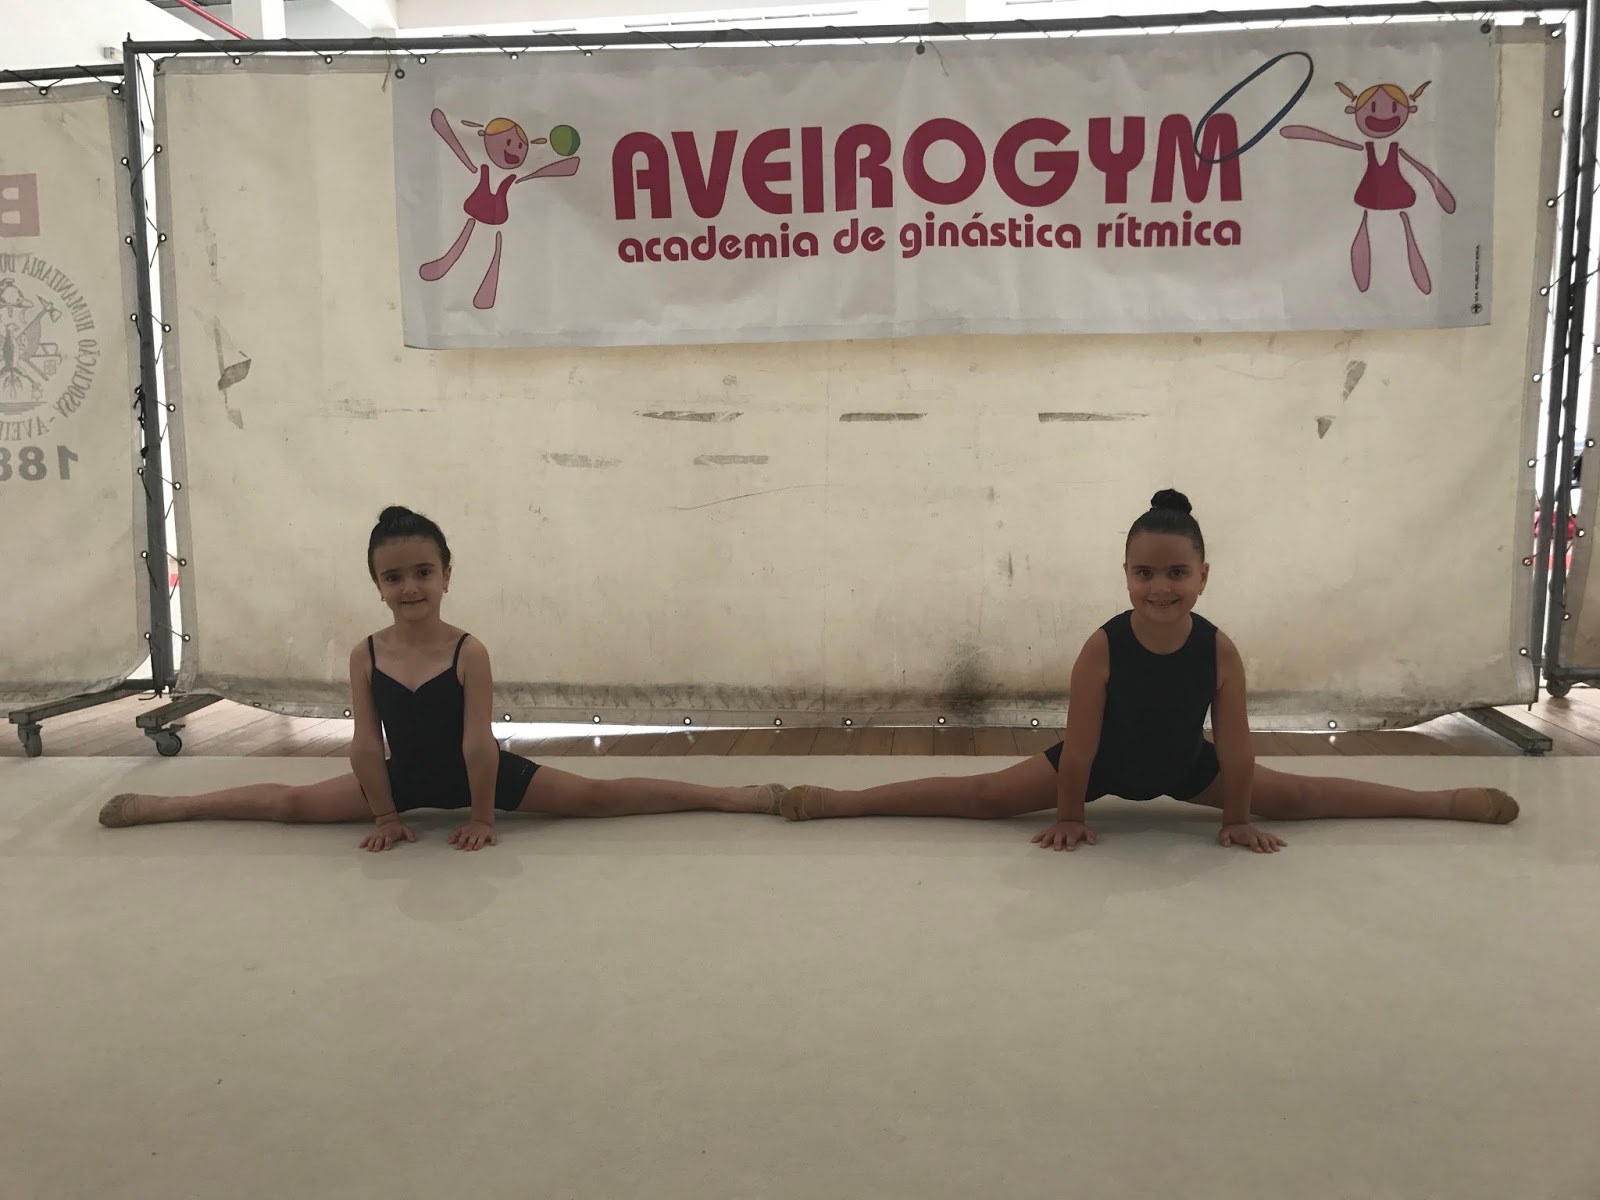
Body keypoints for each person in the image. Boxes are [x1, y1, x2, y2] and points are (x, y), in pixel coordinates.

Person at [777, 490, 1519, 852]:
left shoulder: (1219, 649)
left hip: (1188, 766)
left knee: (1299, 796)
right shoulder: (1102, 647)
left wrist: (1236, 818)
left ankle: (1440, 804)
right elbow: (1080, 743)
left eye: (1176, 573)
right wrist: (1071, 813)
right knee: (984, 797)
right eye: (1144, 573)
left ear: (1203, 576)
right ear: (1126, 574)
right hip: (1099, 767)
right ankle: (842, 802)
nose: (1160, 588)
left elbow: (1237, 750)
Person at [99, 506, 783, 851]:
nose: (410, 587)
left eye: (423, 572)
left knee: (598, 798)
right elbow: (365, 745)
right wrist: (385, 813)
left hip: (483, 778)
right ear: (378, 586)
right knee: (291, 807)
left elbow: (479, 743)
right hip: (402, 780)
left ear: (447, 575)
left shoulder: (468, 651)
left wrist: (483, 816)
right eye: (393, 577)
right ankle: (165, 809)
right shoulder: (366, 654)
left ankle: (733, 798)